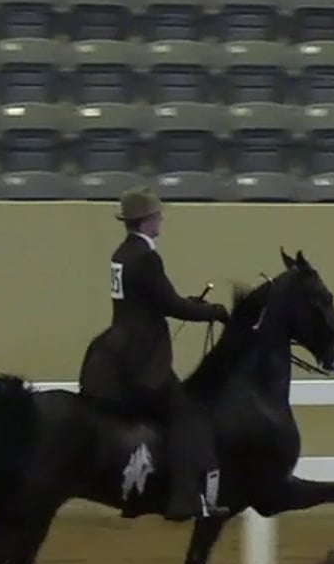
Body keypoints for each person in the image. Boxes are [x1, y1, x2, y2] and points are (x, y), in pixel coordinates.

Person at [76, 187, 232, 521]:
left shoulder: (121, 253)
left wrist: (187, 303)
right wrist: (213, 312)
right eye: (157, 215)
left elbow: (151, 300)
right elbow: (171, 305)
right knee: (186, 414)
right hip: (142, 359)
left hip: (117, 347)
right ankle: (183, 499)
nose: (161, 219)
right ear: (146, 220)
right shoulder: (147, 257)